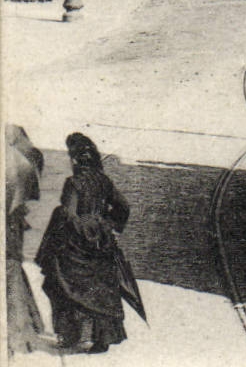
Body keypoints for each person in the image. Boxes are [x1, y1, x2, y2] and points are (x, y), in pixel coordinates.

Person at [35, 133, 144, 352]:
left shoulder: (73, 183)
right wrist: (110, 225)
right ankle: (101, 339)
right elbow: (123, 207)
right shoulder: (104, 181)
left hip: (76, 242)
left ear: (75, 160)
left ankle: (71, 336)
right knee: (102, 290)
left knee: (63, 285)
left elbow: (68, 213)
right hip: (101, 242)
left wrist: (79, 229)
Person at [7, 125, 46, 355]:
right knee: (12, 272)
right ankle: (24, 330)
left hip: (10, 228)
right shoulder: (21, 164)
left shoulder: (13, 163)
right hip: (13, 227)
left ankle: (18, 334)